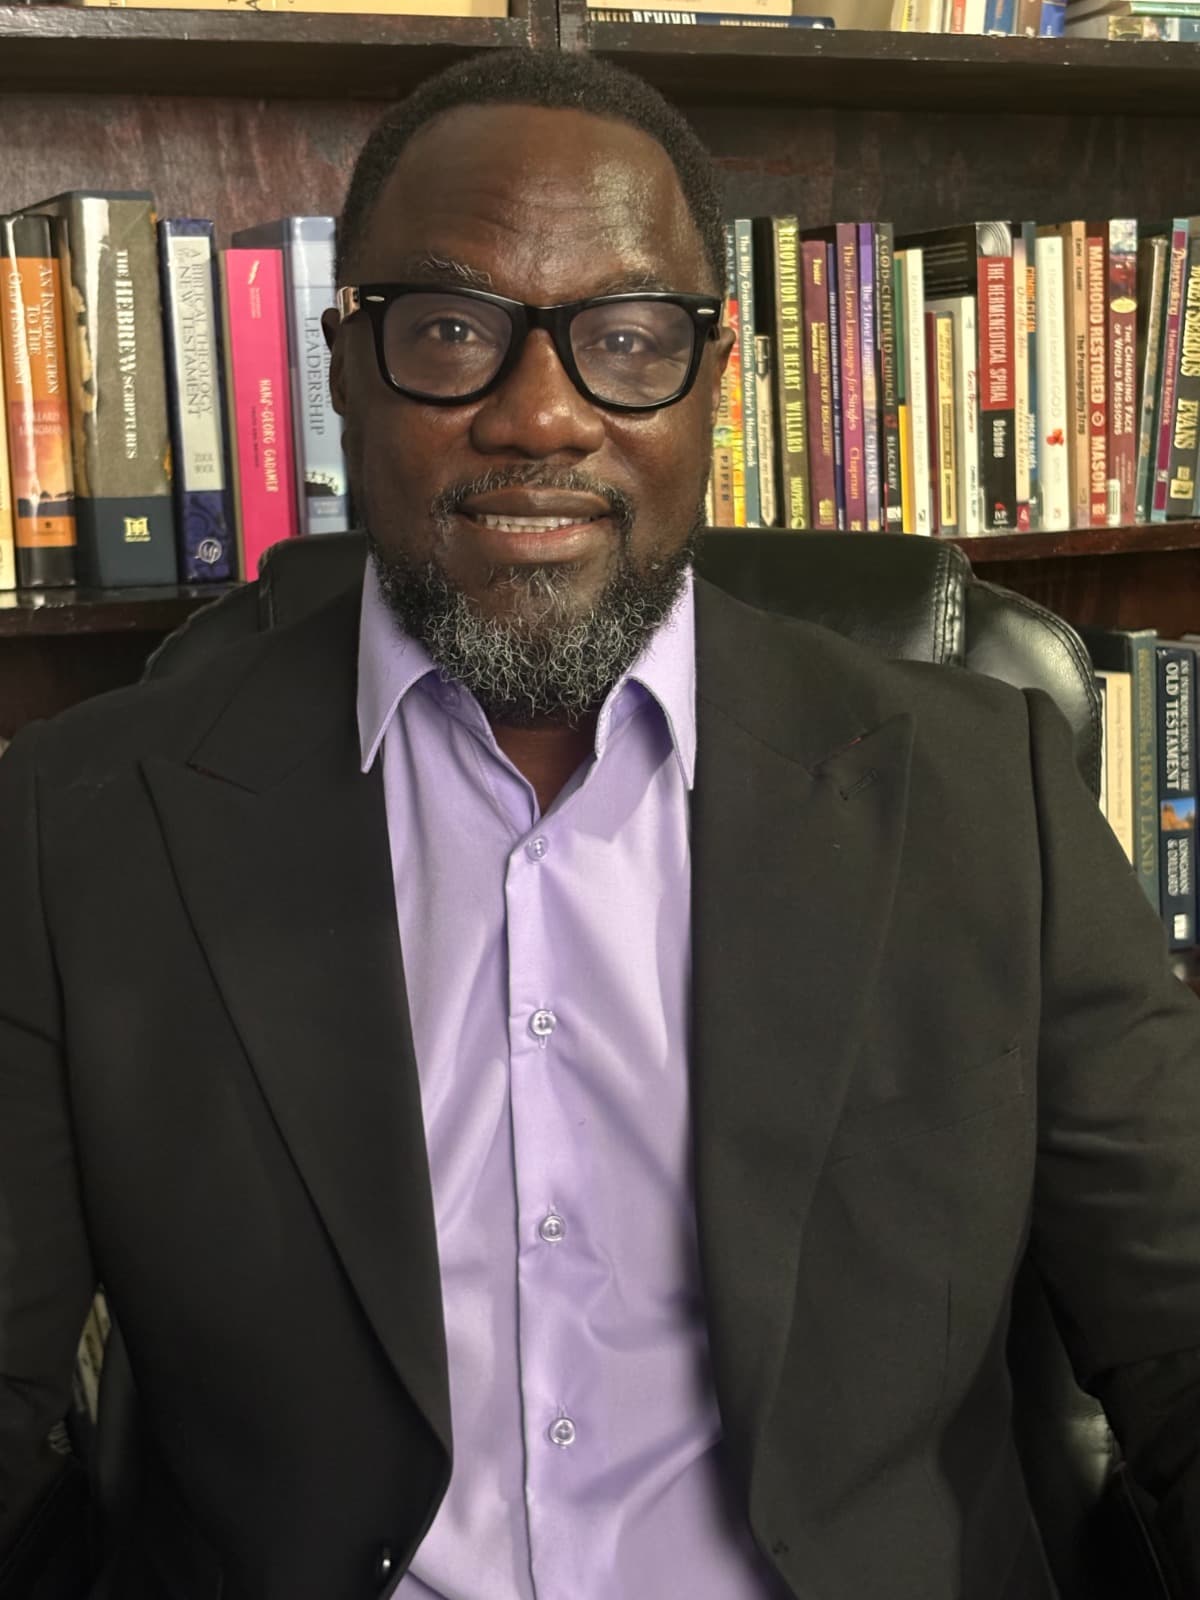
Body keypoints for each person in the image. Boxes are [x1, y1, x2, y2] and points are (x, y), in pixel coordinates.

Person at [1, 46, 1199, 1600]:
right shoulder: (80, 828)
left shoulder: (985, 798)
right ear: (344, 366)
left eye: (627, 338)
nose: (542, 415)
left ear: (716, 378)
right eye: (451, 331)